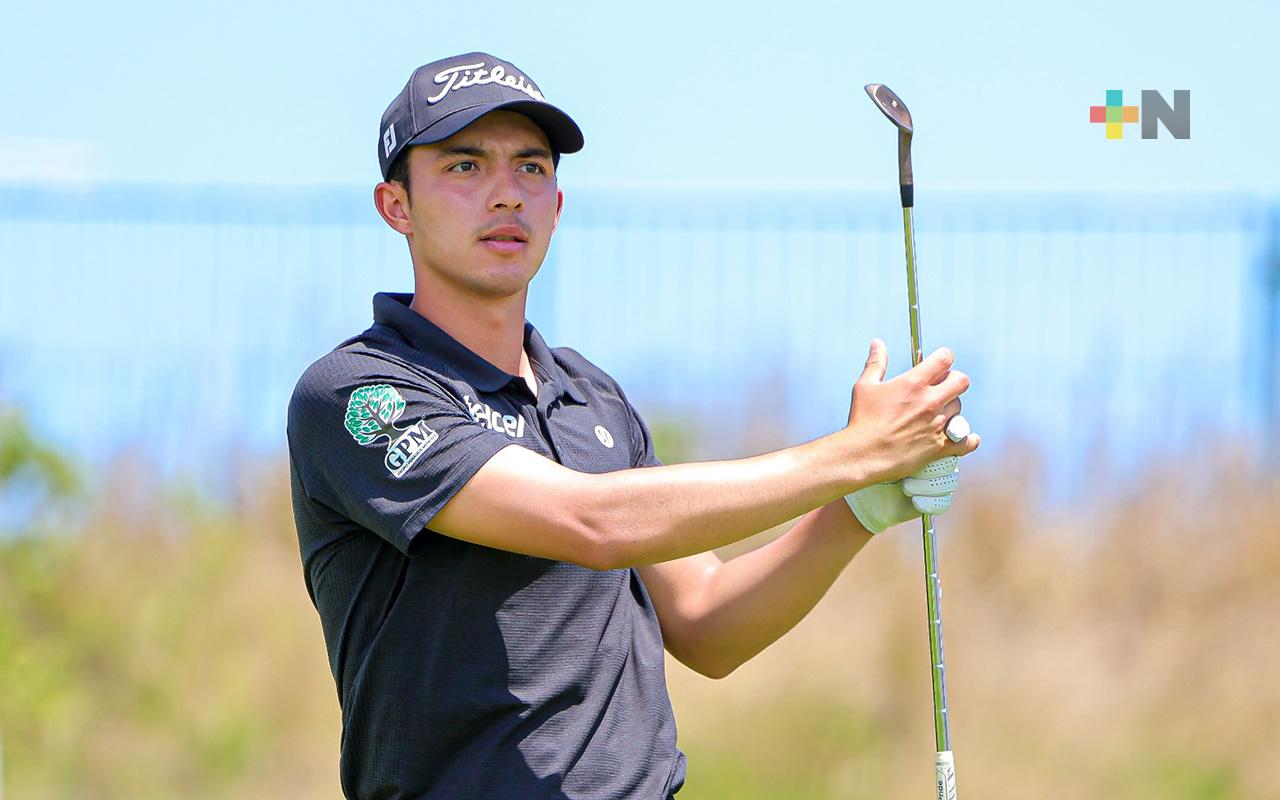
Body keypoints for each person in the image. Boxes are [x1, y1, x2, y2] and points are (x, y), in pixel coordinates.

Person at [286, 52, 978, 800]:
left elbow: (708, 624)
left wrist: (859, 505)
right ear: (397, 207)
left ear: (557, 204)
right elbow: (590, 521)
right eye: (463, 166)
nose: (506, 195)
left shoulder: (592, 397)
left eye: (530, 169)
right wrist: (852, 454)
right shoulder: (360, 394)